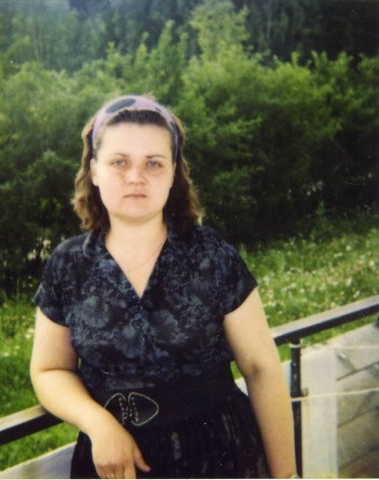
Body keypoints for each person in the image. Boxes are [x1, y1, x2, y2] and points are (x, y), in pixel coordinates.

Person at [30, 95, 298, 479]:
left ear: (173, 174)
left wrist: (286, 476)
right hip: (115, 464)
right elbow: (49, 369)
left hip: (218, 456)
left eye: (153, 163)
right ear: (94, 170)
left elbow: (261, 369)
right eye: (119, 162)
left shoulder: (212, 255)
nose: (135, 177)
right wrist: (98, 424)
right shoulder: (67, 265)